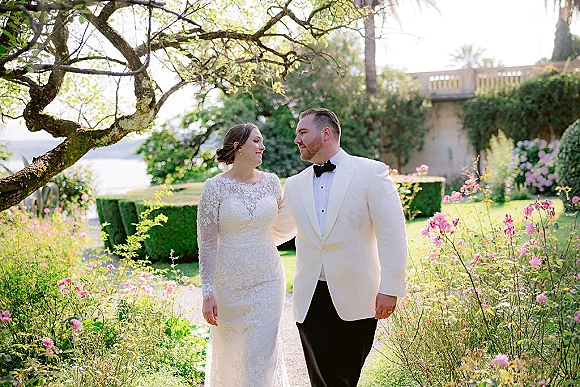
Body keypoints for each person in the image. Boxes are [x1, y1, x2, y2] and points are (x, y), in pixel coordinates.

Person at [274, 108, 408, 387]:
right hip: (311, 299)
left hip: (360, 295)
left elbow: (392, 234)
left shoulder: (371, 172)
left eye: (302, 132)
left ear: (325, 133)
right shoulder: (295, 185)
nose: (296, 139)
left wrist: (391, 288)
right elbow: (277, 230)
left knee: (346, 376)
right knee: (327, 379)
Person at [197, 123, 289, 387]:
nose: (263, 147)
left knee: (261, 356)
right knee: (231, 356)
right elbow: (207, 243)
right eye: (257, 141)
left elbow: (284, 225)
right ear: (238, 148)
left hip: (269, 280)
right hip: (229, 285)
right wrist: (208, 293)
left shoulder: (272, 183)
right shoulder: (214, 188)